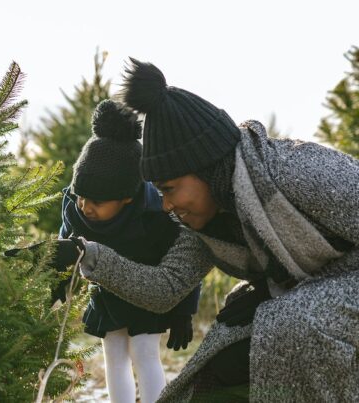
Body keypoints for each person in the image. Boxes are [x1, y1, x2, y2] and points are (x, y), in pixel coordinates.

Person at [74, 59, 359, 401]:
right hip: (312, 308)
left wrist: (284, 295)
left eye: (169, 189)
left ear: (206, 169)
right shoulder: (207, 222)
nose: (165, 205)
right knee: (221, 361)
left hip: (327, 308)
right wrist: (88, 254)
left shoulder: (298, 170)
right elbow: (165, 288)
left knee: (292, 321)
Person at [56, 99, 200, 403]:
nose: (86, 207)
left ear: (127, 198)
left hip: (147, 295)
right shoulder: (75, 210)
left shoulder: (156, 216)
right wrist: (58, 278)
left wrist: (183, 312)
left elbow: (183, 266)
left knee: (145, 353)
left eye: (98, 201)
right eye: (82, 196)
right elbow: (65, 246)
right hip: (107, 295)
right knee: (114, 354)